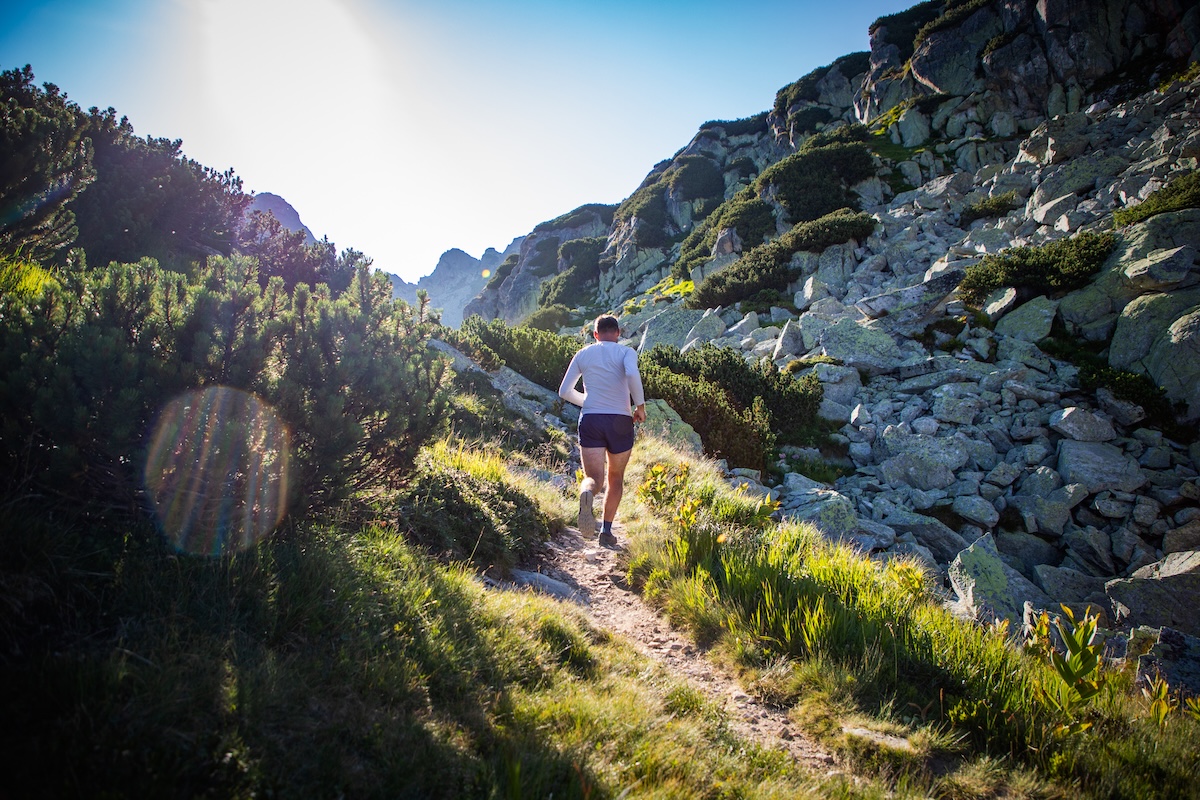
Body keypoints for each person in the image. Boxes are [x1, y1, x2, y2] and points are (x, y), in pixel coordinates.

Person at [558, 313, 646, 547]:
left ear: (595, 335)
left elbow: (564, 392)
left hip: (591, 420)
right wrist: (640, 406)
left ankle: (586, 492)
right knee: (615, 478)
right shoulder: (626, 352)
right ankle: (606, 532)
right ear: (618, 333)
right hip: (620, 421)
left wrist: (588, 401)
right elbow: (631, 374)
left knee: (593, 478)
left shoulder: (584, 354)